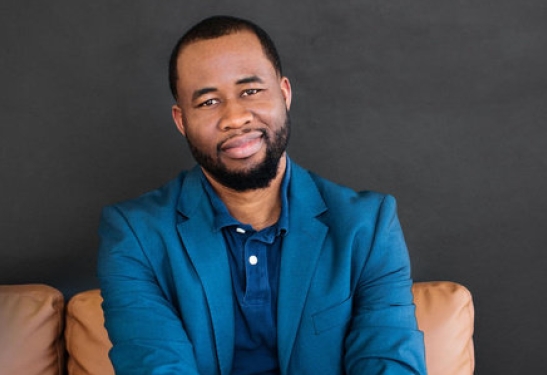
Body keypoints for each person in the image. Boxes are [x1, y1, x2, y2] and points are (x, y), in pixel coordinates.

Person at [97, 15, 427, 375]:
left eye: (251, 91)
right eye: (208, 102)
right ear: (181, 121)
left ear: (284, 94)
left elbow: (390, 363)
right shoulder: (136, 235)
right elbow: (154, 365)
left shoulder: (368, 226)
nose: (235, 117)